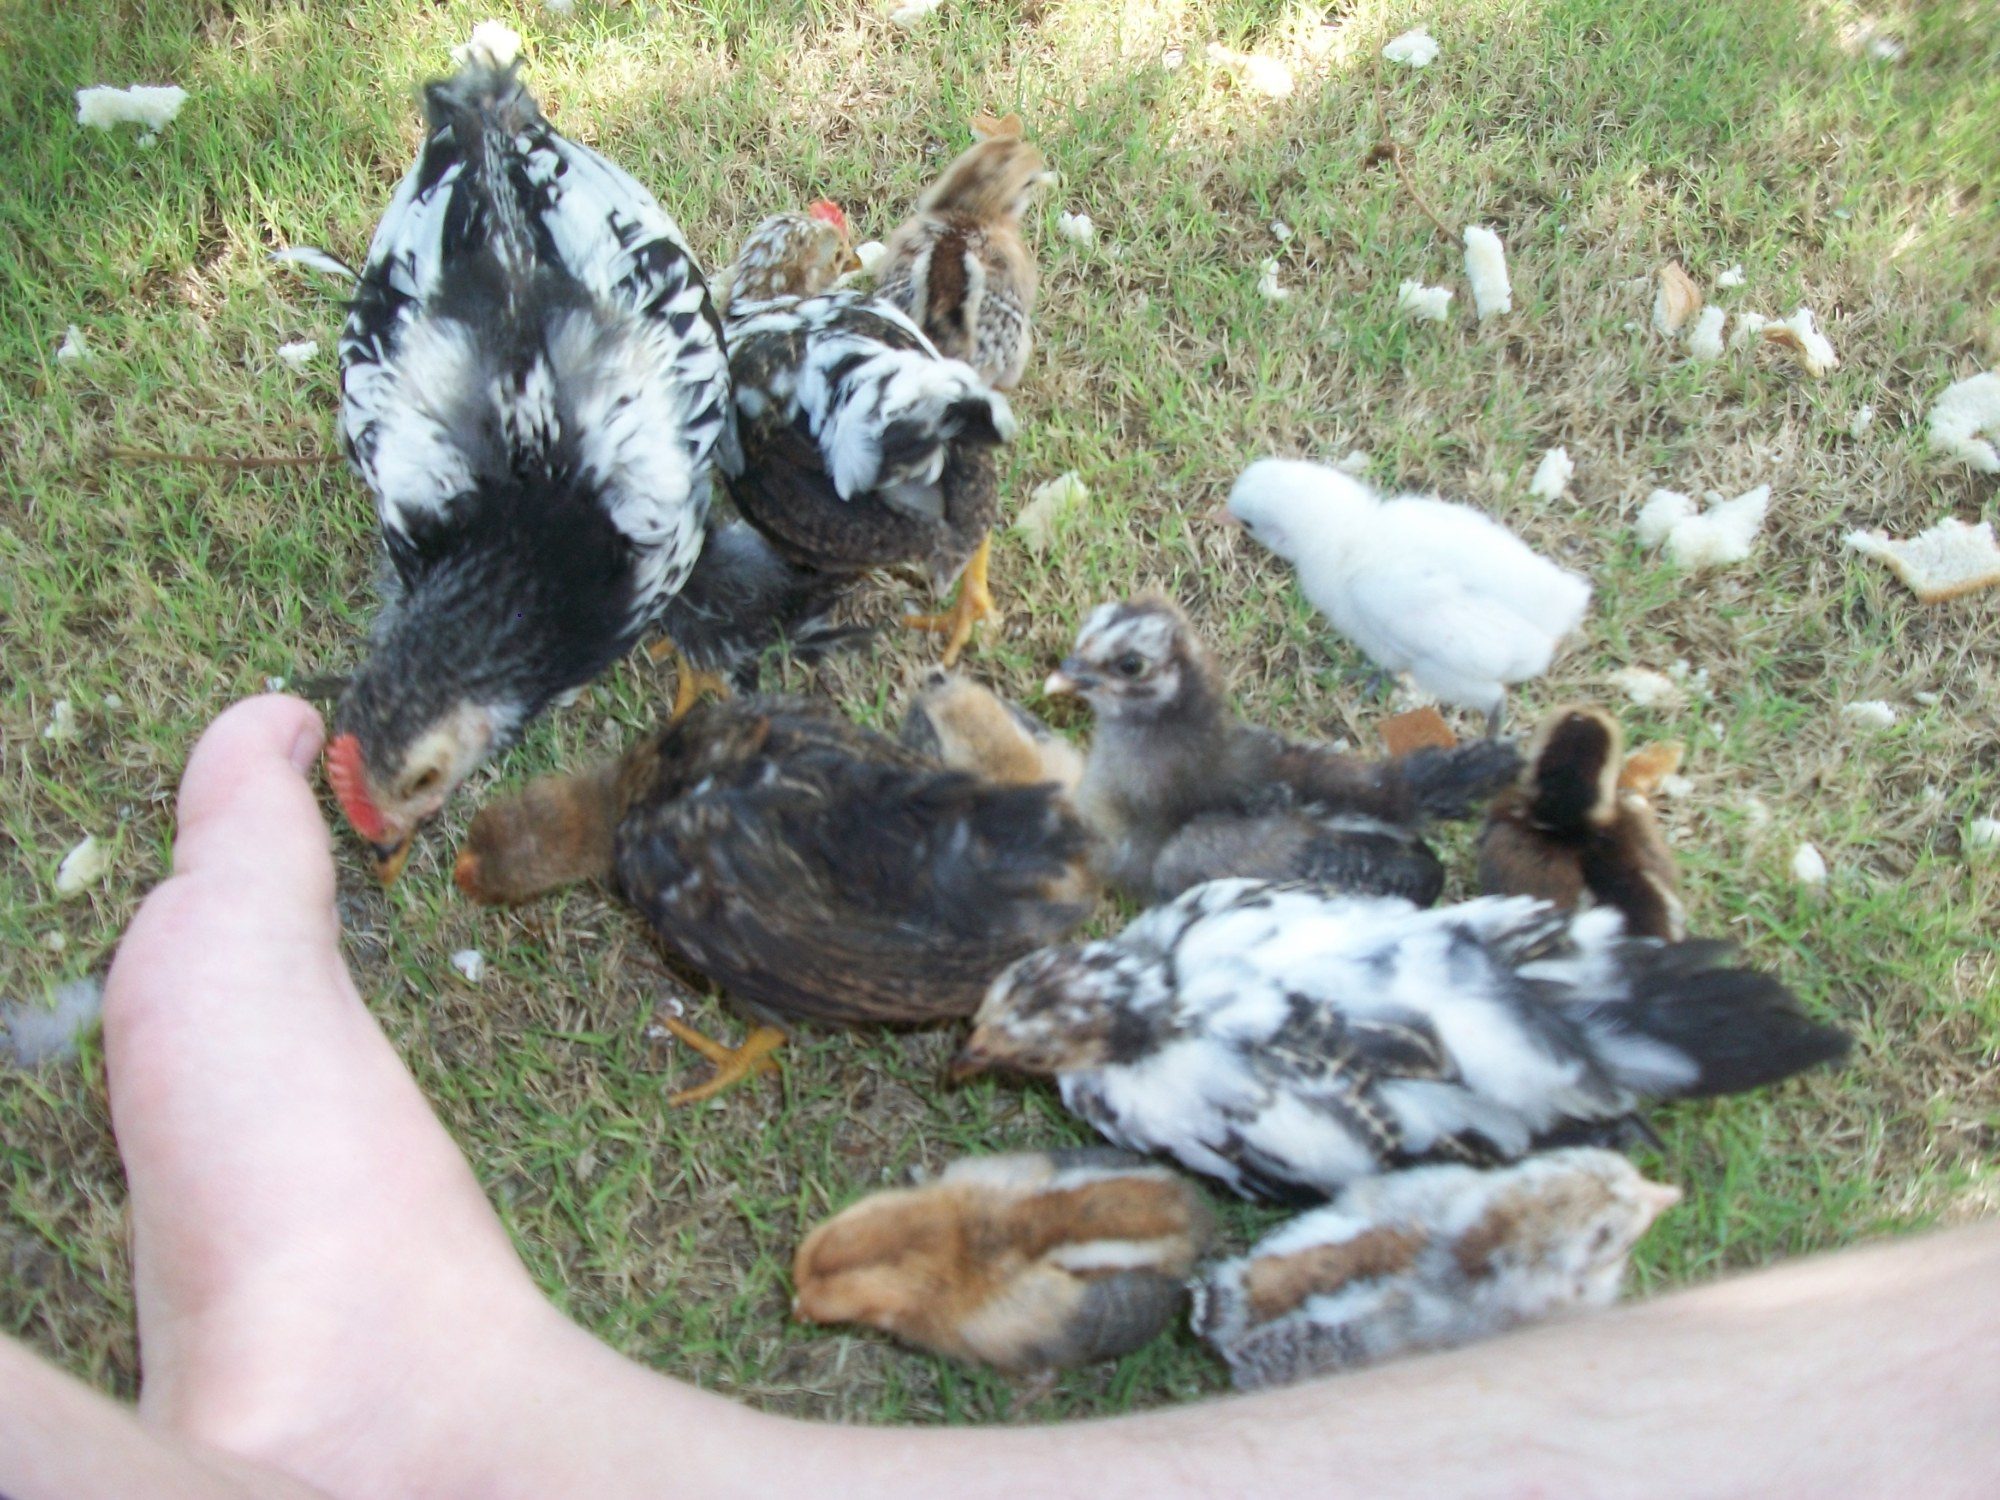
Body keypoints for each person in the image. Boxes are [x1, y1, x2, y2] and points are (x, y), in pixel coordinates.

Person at [3, 695, 1996, 1500]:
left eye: (1003, 1040)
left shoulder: (1197, 1112)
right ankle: (441, 1428)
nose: (983, 1058)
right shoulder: (1190, 942)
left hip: (1484, 1029)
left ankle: (431, 1427)